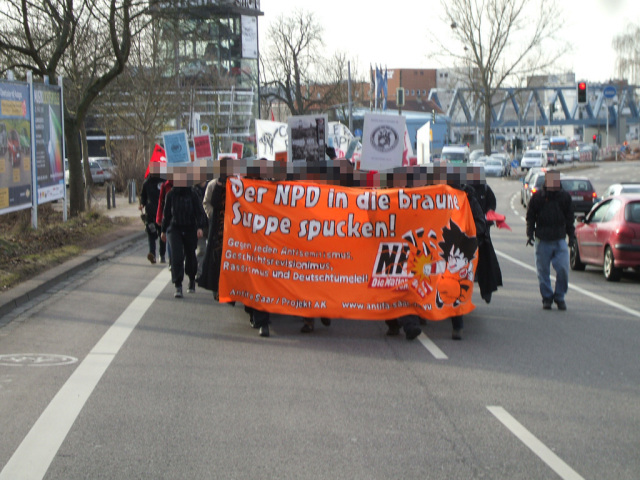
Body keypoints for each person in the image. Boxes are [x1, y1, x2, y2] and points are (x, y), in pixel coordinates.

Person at [526, 169, 575, 310]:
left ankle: (560, 297)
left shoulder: (564, 197)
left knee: (563, 269)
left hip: (559, 239)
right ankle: (547, 298)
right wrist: (530, 234)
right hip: (542, 239)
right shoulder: (538, 197)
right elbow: (530, 216)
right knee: (543, 272)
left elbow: (570, 219)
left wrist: (571, 237)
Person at [161, 182, 207, 298]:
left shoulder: (193, 193)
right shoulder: (171, 194)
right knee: (177, 256)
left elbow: (200, 212)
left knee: (190, 255)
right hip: (174, 227)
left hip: (190, 227)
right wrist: (163, 230)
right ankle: (178, 285)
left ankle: (191, 279)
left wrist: (200, 227)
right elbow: (166, 214)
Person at [139, 174, 166, 264]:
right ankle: (152, 254)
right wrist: (142, 204)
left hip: (161, 212)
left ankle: (162, 255)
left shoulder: (163, 181)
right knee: (151, 233)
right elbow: (143, 196)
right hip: (150, 212)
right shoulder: (147, 182)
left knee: (162, 234)